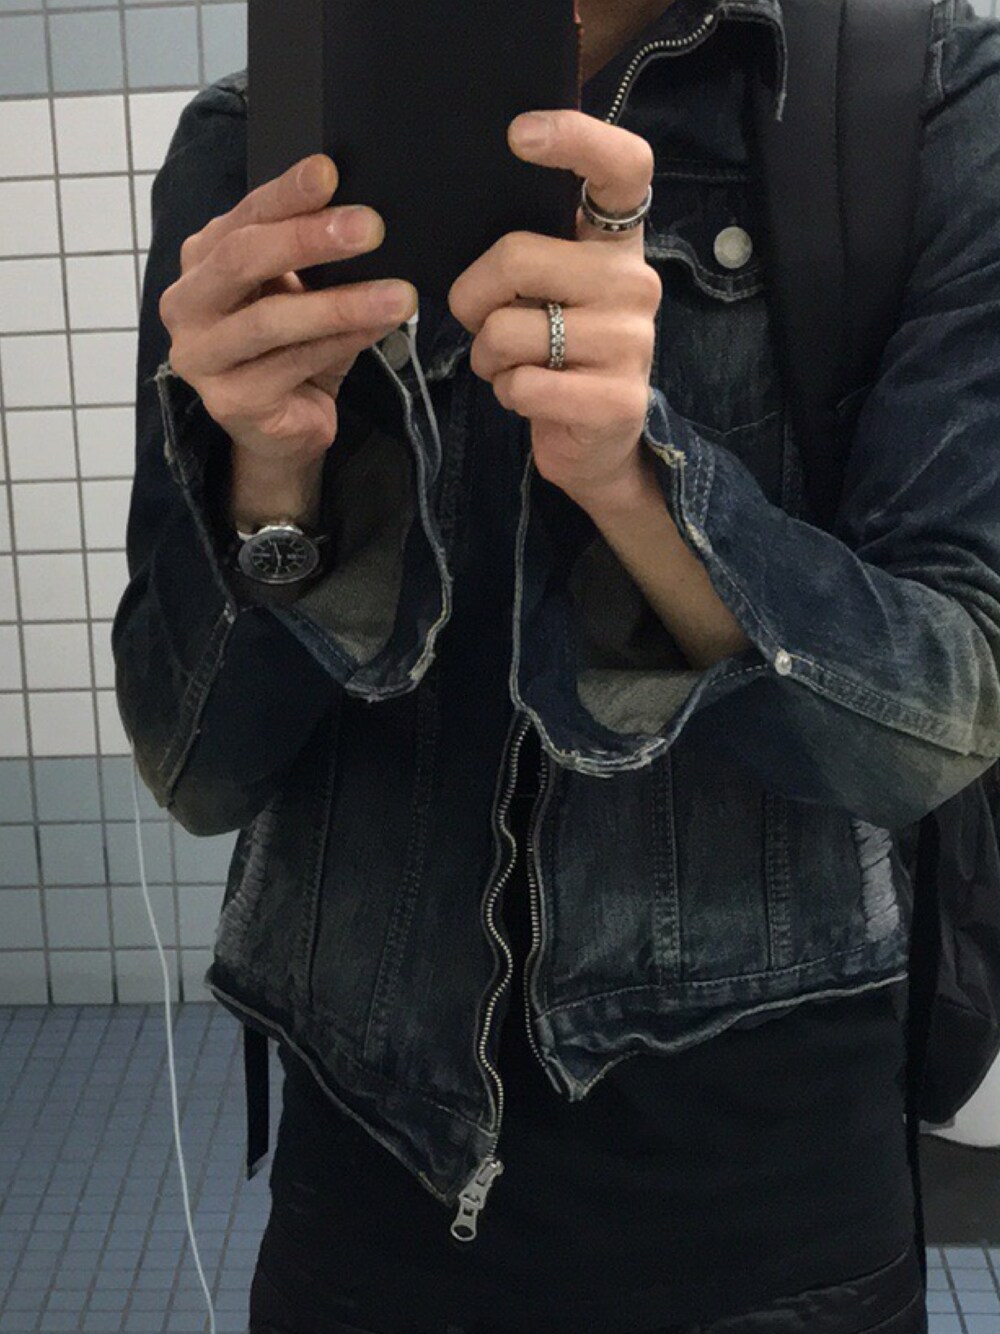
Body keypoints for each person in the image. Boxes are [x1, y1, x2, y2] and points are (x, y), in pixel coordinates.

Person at [113, 0, 1000, 1329]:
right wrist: (271, 484)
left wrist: (639, 483)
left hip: (775, 1222)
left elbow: (940, 717)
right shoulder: (254, 149)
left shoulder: (907, 100)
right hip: (370, 1199)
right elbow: (194, 768)